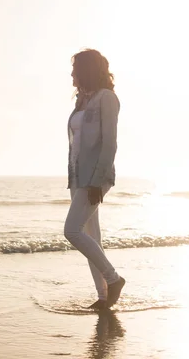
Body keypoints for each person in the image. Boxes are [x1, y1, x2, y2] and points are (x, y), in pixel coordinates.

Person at [64, 49, 125, 310]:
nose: (72, 74)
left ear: (87, 70)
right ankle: (103, 297)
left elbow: (110, 143)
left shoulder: (106, 99)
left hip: (95, 177)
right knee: (92, 237)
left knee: (72, 231)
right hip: (77, 176)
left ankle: (114, 279)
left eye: (75, 69)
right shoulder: (82, 101)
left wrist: (96, 181)